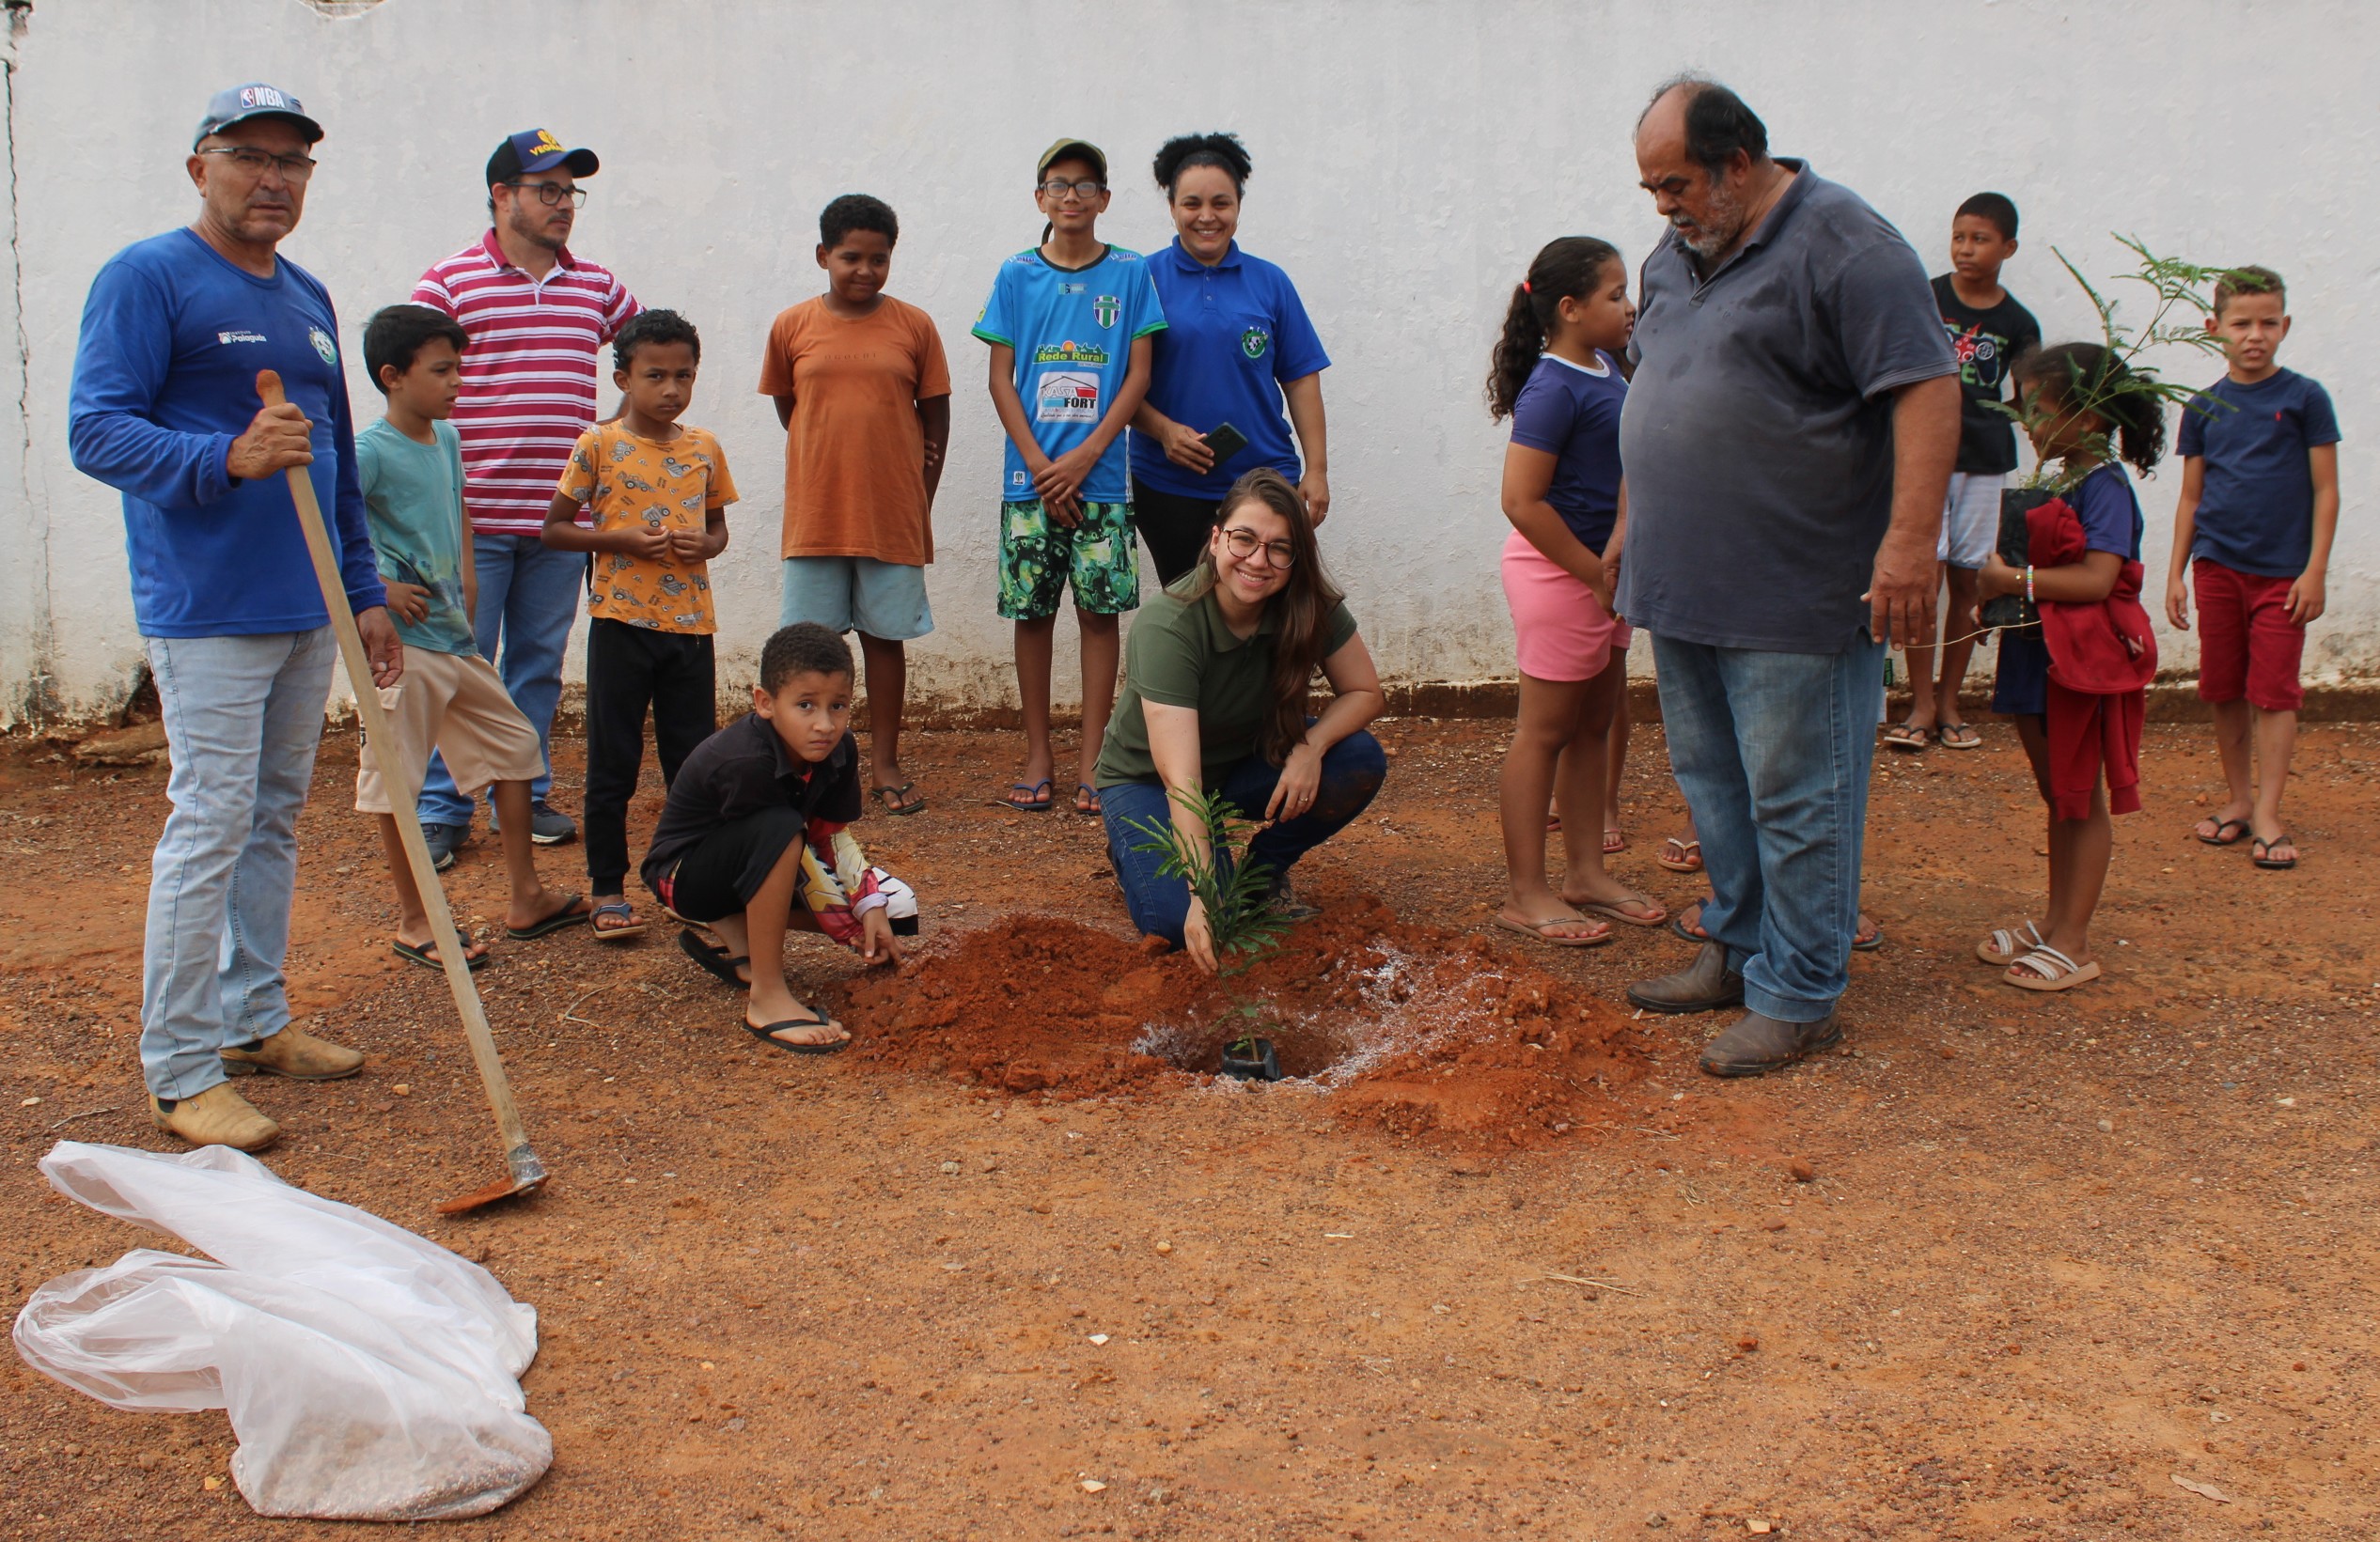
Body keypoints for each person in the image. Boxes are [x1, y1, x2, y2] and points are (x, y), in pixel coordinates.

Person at [67, 83, 396, 1151]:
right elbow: (95, 430)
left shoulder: (307, 294)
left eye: (292, 161)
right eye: (248, 155)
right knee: (209, 821)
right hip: (206, 606)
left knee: (272, 816)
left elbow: (332, 461)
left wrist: (363, 592)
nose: (272, 178)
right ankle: (179, 1068)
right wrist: (225, 456)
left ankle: (253, 1018)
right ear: (199, 166)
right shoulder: (148, 276)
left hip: (308, 602)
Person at [1616, 77, 1959, 1077]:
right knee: (1716, 785)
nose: (1664, 206)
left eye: (1676, 184)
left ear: (1737, 163)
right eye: (1651, 189)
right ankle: (1736, 948)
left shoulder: (1849, 245)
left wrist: (1910, 543)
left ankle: (1800, 994)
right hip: (1683, 580)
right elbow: (1660, 387)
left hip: (1796, 586)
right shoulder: (1673, 256)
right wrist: (1634, 523)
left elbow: (1925, 388)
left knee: (1799, 795)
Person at [411, 128, 642, 866]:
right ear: (501, 195)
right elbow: (414, 381)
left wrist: (615, 439)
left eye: (570, 192)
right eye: (547, 190)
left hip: (560, 523)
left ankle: (525, 792)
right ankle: (442, 808)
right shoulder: (449, 284)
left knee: (538, 663)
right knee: (459, 663)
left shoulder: (597, 286)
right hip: (469, 521)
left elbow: (646, 353)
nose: (563, 205)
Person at [353, 304, 591, 969]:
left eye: (458, 367)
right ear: (393, 376)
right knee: (396, 779)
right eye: (442, 370)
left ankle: (527, 897)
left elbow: (458, 504)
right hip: (402, 646)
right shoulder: (368, 452)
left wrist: (468, 579)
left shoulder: (448, 438)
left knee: (515, 745)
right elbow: (329, 525)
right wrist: (377, 588)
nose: (457, 381)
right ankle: (415, 920)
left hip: (453, 635)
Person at [1095, 468, 1387, 968]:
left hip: (1241, 763)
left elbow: (1365, 692)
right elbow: (1181, 779)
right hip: (1149, 780)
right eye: (1244, 539)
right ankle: (1134, 846)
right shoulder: (1168, 623)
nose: (1258, 560)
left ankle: (1263, 872)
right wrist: (1200, 893)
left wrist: (1311, 747)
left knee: (1357, 757)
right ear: (1216, 539)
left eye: (1279, 548)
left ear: (1296, 558)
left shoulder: (1309, 603)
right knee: (1183, 923)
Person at [973, 137, 1167, 816]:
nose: (1072, 196)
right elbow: (1000, 380)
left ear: (1104, 199)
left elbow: (1138, 375)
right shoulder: (1016, 274)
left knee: (1098, 615)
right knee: (1032, 616)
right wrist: (1039, 465)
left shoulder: (1131, 273)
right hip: (1030, 484)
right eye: (1058, 184)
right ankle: (1037, 754)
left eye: (1086, 185)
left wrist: (1086, 458)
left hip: (1103, 481)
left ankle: (1093, 759)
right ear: (1040, 198)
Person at [1483, 237, 1664, 947]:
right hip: (1562, 576)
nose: (1630, 306)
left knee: (1593, 725)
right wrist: (1592, 574)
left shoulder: (1606, 366)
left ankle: (1587, 874)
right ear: (1569, 308)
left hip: (1603, 576)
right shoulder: (1553, 387)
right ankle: (1526, 893)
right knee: (1544, 732)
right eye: (1615, 295)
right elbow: (1520, 500)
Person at [1974, 344, 2164, 989]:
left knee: (2080, 796)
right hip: (2038, 651)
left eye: (2036, 408)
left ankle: (2075, 942)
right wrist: (1997, 599)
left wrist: (2012, 581)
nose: (2024, 421)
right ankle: (2056, 922)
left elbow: (2098, 578)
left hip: (2075, 662)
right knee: (2060, 793)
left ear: (2087, 417)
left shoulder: (2105, 487)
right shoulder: (2060, 478)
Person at [541, 310, 735, 941]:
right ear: (623, 378)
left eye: (684, 375)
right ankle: (607, 887)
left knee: (693, 763)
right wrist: (618, 538)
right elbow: (555, 529)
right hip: (620, 625)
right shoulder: (597, 445)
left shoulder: (704, 447)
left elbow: (718, 528)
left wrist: (707, 545)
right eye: (655, 375)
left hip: (690, 629)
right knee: (613, 763)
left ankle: (690, 881)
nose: (671, 389)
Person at [760, 195, 952, 818]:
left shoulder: (914, 327)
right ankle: (807, 766)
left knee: (884, 639)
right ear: (824, 256)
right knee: (808, 647)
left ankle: (885, 762)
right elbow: (792, 409)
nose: (865, 270)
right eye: (850, 257)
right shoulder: (791, 326)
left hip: (891, 513)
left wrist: (919, 497)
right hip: (817, 512)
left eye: (879, 258)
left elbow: (936, 418)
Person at [644, 624, 917, 1052]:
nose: (824, 725)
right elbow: (789, 847)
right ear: (765, 702)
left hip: (758, 863)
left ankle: (736, 927)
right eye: (805, 705)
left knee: (897, 909)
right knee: (782, 829)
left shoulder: (839, 748)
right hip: (685, 878)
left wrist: (870, 905)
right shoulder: (744, 760)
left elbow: (831, 836)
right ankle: (767, 998)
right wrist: (846, 927)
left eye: (838, 706)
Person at [2165, 266, 2341, 871]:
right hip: (2217, 567)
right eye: (2241, 323)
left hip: (2283, 576)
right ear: (2214, 327)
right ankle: (2238, 798)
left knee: (2275, 692)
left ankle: (2268, 812)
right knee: (2223, 688)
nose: (2255, 335)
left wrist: (2315, 570)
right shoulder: (2202, 407)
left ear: (2285, 325)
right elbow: (2191, 497)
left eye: (2268, 322)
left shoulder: (2305, 398)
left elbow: (2326, 490)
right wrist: (2176, 573)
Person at [1128, 132, 1333, 584]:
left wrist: (1317, 470)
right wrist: (1163, 431)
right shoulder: (1140, 279)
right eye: (1192, 203)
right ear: (1172, 207)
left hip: (1264, 483)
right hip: (1168, 486)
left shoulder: (1270, 282)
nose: (1207, 216)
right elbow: (1119, 385)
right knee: (1190, 605)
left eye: (1221, 203)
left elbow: (1301, 380)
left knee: (1264, 601)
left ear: (1238, 206)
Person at [1889, 193, 2042, 753]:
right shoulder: (1925, 297)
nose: (1966, 249)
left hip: (1984, 464)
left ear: (2008, 248)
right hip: (1923, 458)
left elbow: (2030, 397)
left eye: (1980, 239)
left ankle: (1950, 701)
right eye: (1959, 237)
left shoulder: (2018, 322)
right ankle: (1920, 704)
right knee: (1922, 581)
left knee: (1968, 585)